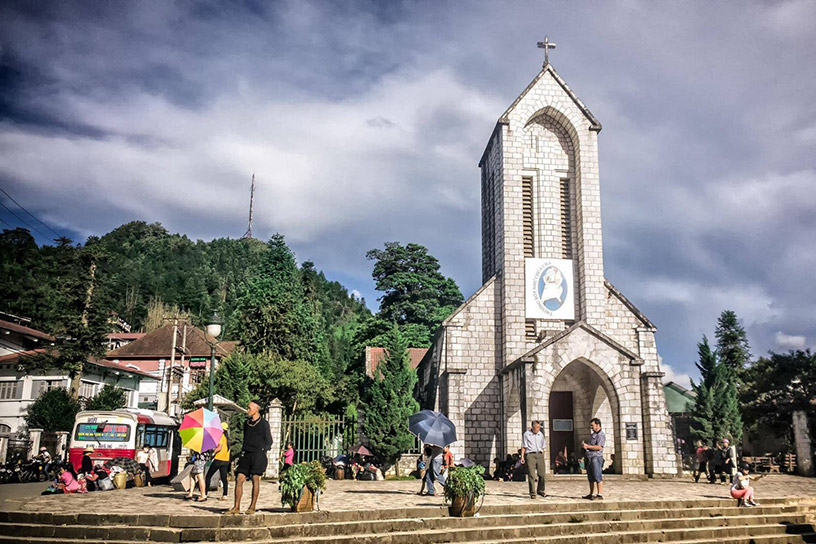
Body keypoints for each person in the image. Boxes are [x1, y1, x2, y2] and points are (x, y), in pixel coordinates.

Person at [226, 400, 271, 515]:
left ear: (256, 409)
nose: (248, 410)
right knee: (239, 479)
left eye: (250, 408)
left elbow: (269, 440)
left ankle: (252, 506)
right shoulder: (246, 423)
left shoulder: (264, 424)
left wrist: (263, 450)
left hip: (258, 454)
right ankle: (236, 507)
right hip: (247, 454)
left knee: (255, 479)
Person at [520, 420, 546, 499]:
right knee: (531, 475)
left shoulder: (540, 434)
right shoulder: (527, 434)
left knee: (542, 474)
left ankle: (540, 490)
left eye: (539, 427)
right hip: (530, 455)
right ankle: (532, 493)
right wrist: (522, 457)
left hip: (539, 454)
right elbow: (524, 446)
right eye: (537, 427)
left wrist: (543, 456)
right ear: (532, 427)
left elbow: (543, 446)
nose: (538, 429)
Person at [205, 422, 231, 501]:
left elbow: (219, 448)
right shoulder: (228, 438)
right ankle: (225, 495)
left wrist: (213, 452)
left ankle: (205, 493)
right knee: (224, 478)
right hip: (226, 460)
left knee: (208, 476)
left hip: (218, 459)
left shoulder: (221, 436)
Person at [582, 417, 605, 500]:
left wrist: (588, 446)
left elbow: (599, 447)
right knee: (591, 477)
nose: (591, 427)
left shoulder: (601, 435)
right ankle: (591, 493)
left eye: (593, 425)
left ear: (597, 425)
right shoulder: (593, 435)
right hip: (590, 457)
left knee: (597, 475)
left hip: (596, 457)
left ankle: (600, 494)